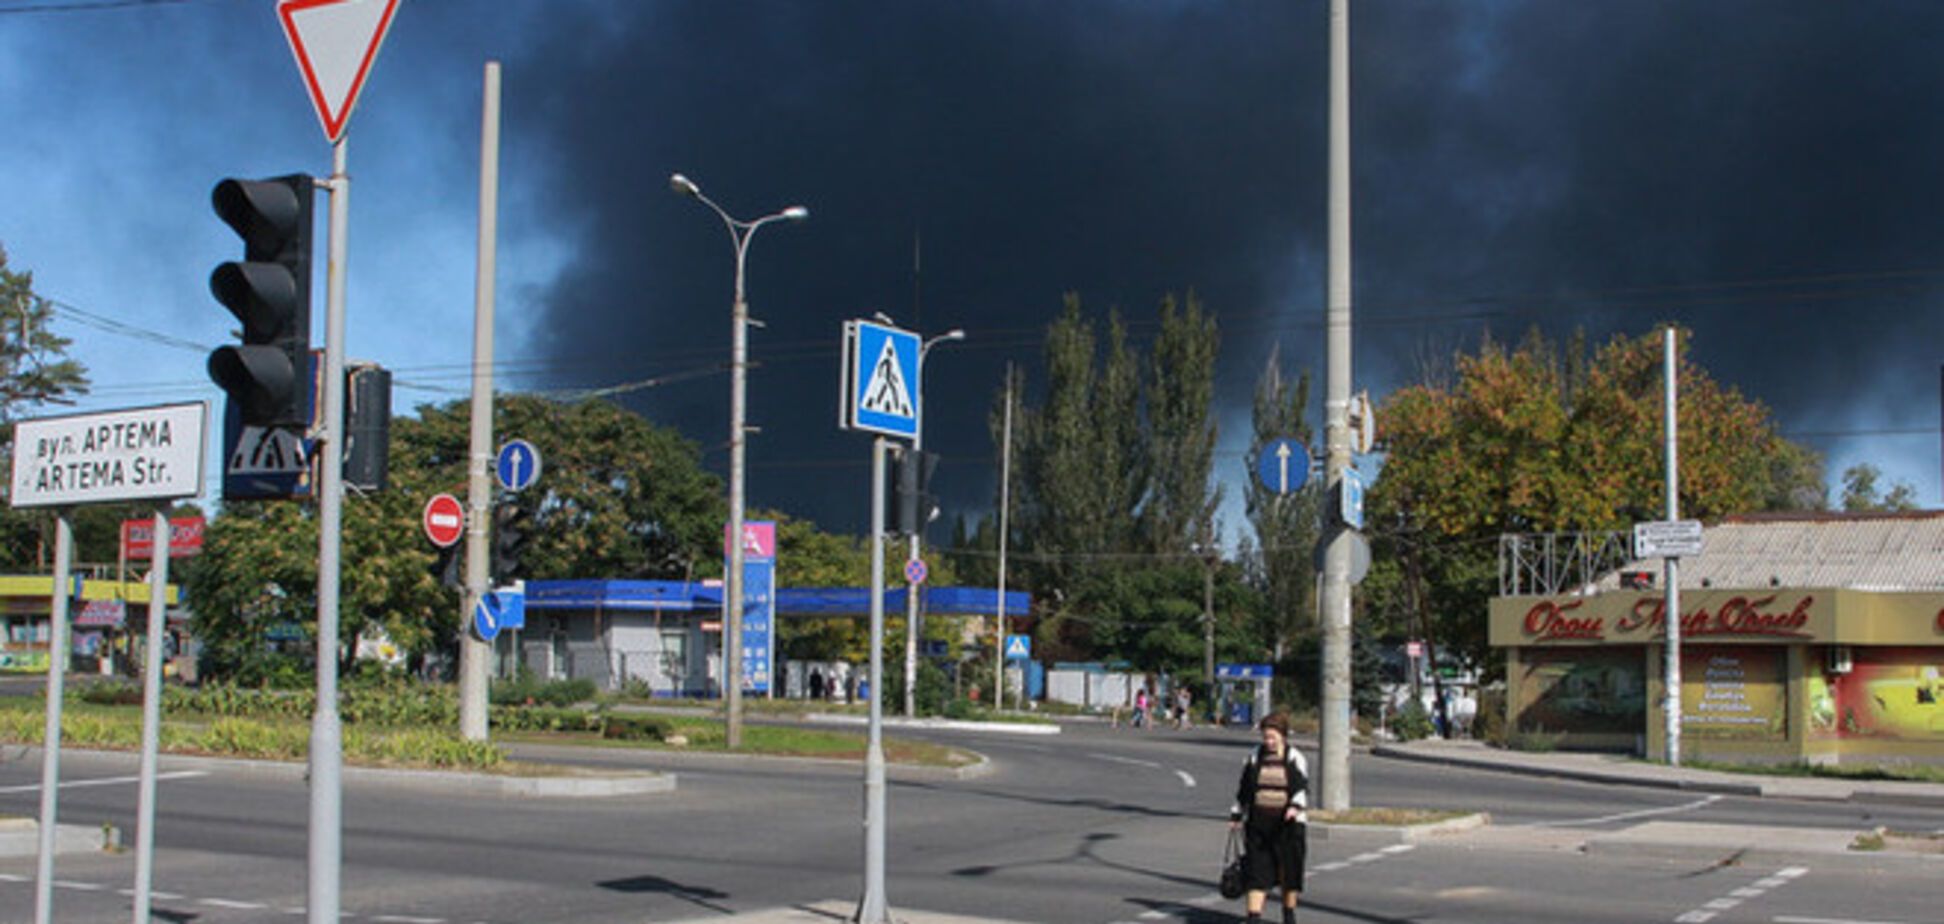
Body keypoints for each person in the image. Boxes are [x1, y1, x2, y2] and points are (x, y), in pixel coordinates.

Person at [1229, 712, 1308, 924]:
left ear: (1283, 736)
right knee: (1257, 872)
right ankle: (1253, 918)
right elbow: (1244, 789)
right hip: (1258, 824)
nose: (1269, 742)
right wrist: (1237, 813)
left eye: (1273, 737)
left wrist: (1294, 807)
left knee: (1288, 874)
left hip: (1288, 826)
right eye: (1265, 737)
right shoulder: (1254, 756)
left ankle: (1288, 914)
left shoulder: (1294, 757)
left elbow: (1301, 788)